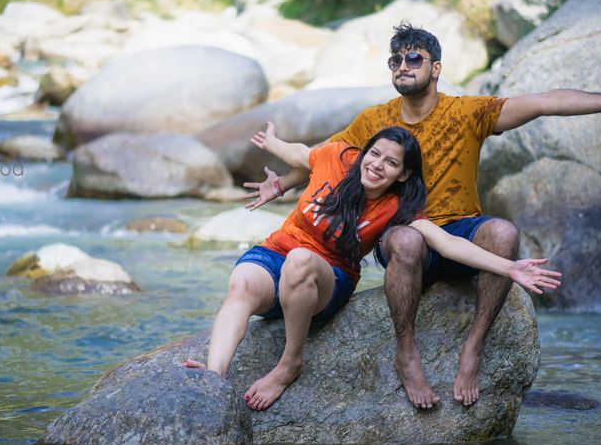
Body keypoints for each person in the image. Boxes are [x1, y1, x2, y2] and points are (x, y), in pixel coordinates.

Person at [245, 23, 601, 409]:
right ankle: (406, 351)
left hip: (460, 232)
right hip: (407, 232)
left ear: (436, 68)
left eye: (414, 57)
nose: (403, 65)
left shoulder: (468, 112)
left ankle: (473, 347)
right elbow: (330, 160)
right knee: (407, 239)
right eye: (396, 59)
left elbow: (545, 102)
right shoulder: (373, 121)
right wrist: (282, 184)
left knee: (503, 231)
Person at [185, 124, 562, 412]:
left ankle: (289, 364)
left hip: (326, 278)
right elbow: (301, 153)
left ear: (402, 175)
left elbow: (448, 243)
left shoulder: (398, 208)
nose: (377, 165)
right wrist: (273, 146)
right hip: (276, 254)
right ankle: (214, 376)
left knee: (300, 262)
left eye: (391, 162)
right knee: (241, 286)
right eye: (375, 154)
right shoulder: (336, 158)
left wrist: (510, 267)